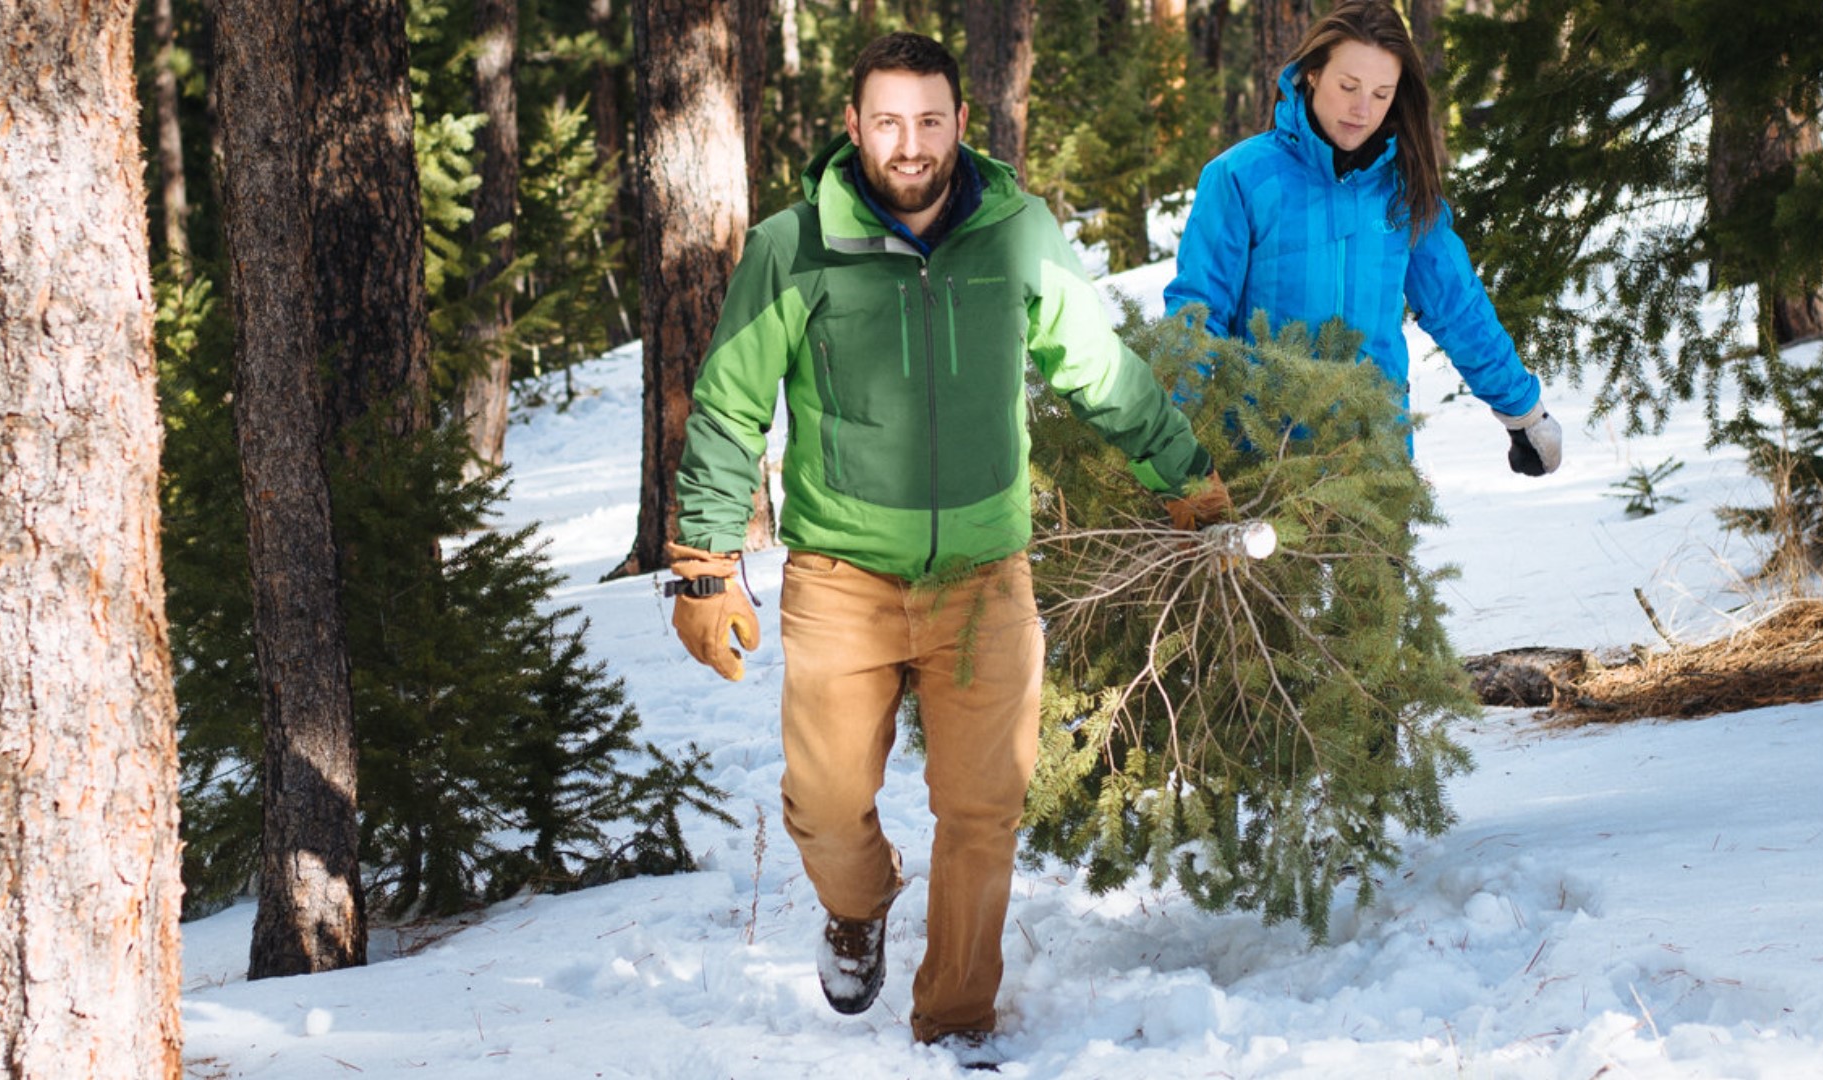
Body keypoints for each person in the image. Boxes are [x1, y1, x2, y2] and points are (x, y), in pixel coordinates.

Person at [661, 30, 1229, 1067]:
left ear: (963, 124)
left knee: (984, 807)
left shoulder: (1016, 236)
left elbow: (1096, 367)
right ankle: (859, 904)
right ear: (852, 126)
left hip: (985, 578)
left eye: (929, 119)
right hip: (841, 579)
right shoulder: (796, 248)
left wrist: (1181, 471)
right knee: (827, 808)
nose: (909, 143)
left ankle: (959, 1022)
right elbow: (730, 410)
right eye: (887, 120)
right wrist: (703, 560)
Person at [1163, 0, 1564, 477]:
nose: (1362, 109)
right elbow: (1196, 316)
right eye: (1348, 87)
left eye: (1381, 93)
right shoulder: (1240, 178)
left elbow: (1456, 304)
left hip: (1375, 467)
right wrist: (1169, 441)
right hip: (1261, 467)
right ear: (1312, 74)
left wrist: (1523, 412)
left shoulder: (1405, 188)